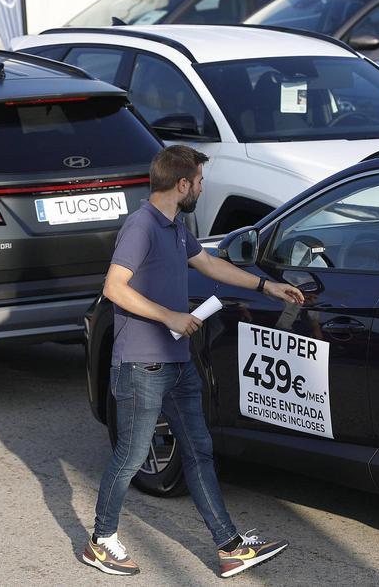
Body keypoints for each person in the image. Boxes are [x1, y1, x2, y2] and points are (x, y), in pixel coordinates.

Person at [82, 145, 303, 578]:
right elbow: (113, 288)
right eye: (199, 181)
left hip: (176, 362)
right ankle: (100, 540)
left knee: (199, 450)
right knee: (130, 456)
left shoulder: (176, 225)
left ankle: (229, 546)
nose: (201, 187)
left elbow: (210, 265)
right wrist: (169, 316)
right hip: (141, 366)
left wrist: (266, 286)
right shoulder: (141, 227)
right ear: (182, 184)